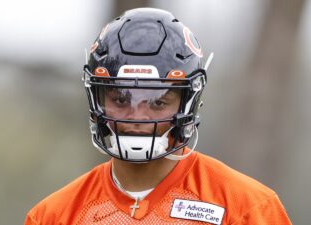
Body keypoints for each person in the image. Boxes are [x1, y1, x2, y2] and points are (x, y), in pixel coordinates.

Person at [24, 8, 292, 224]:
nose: (137, 116)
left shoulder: (245, 208)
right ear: (98, 98)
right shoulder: (54, 216)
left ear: (187, 102)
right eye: (120, 99)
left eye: (157, 101)